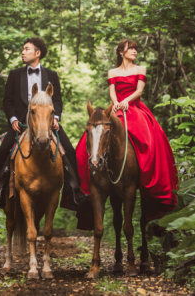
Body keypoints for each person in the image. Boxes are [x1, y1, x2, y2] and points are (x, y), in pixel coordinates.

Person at [76, 38, 179, 228]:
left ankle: (146, 175)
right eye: (130, 49)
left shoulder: (140, 69)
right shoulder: (113, 72)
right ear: (121, 52)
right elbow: (112, 92)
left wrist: (126, 101)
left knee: (149, 138)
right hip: (116, 109)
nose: (134, 51)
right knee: (89, 138)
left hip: (134, 108)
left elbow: (139, 91)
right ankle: (83, 188)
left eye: (135, 49)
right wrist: (115, 103)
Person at [0, 37, 87, 210]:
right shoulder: (15, 74)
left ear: (37, 53)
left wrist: (56, 118)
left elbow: (58, 101)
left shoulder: (52, 75)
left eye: (26, 49)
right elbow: (7, 102)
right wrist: (13, 120)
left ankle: (74, 192)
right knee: (3, 150)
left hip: (46, 123)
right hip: (21, 125)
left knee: (69, 150)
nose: (22, 52)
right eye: (23, 49)